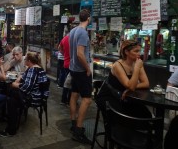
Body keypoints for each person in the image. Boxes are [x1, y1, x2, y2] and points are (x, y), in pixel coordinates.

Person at [96, 40, 151, 120]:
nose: (139, 54)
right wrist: (136, 69)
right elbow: (131, 86)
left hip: (125, 97)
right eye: (136, 51)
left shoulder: (138, 63)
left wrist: (130, 88)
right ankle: (114, 131)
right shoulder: (118, 65)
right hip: (110, 97)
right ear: (126, 52)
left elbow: (146, 83)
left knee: (146, 115)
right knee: (125, 118)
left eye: (140, 51)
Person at [0, 52, 49, 137]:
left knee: (11, 99)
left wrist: (15, 84)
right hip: (39, 96)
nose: (24, 60)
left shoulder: (33, 70)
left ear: (29, 61)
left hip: (35, 98)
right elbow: (23, 75)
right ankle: (10, 118)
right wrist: (19, 78)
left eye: (25, 59)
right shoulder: (36, 68)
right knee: (12, 96)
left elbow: (26, 88)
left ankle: (11, 129)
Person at [69, 9, 92, 144]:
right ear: (88, 18)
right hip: (81, 71)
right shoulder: (83, 32)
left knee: (74, 95)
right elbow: (80, 54)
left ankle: (73, 124)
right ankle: (78, 131)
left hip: (73, 69)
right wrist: (87, 69)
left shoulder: (73, 31)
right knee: (87, 100)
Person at [58, 30, 71, 105]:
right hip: (72, 65)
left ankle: (64, 99)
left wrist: (64, 53)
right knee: (71, 83)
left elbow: (59, 48)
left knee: (67, 81)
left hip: (66, 63)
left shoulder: (64, 38)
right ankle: (68, 100)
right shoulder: (74, 39)